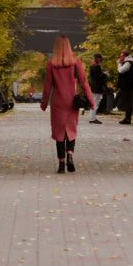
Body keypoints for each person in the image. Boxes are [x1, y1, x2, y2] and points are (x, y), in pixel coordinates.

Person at [40, 35, 95, 173]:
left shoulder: (52, 64)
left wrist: (44, 103)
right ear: (69, 47)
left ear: (56, 48)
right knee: (71, 130)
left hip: (58, 101)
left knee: (59, 132)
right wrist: (91, 101)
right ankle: (70, 154)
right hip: (72, 101)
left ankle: (61, 163)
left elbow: (48, 86)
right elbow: (84, 82)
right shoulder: (76, 62)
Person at [115, 50, 133, 125]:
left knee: (127, 101)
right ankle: (127, 118)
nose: (120, 57)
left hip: (127, 85)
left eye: (121, 56)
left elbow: (121, 71)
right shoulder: (128, 62)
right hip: (126, 85)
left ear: (125, 56)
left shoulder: (128, 63)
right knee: (126, 101)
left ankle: (128, 118)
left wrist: (119, 63)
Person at [88, 55, 112, 123]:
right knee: (96, 102)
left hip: (94, 86)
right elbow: (98, 77)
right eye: (101, 58)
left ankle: (92, 117)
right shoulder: (96, 66)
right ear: (98, 58)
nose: (102, 59)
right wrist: (105, 74)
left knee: (94, 102)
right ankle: (92, 118)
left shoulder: (92, 65)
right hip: (97, 86)